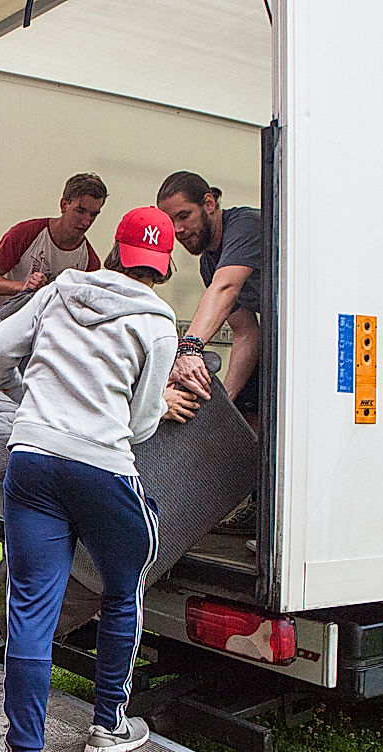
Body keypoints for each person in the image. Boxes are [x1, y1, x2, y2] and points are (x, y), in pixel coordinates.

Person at [0, 207, 178, 752]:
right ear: (163, 267)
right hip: (102, 466)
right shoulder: (159, 324)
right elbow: (144, 422)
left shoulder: (61, 289)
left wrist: (35, 403)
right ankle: (108, 729)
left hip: (33, 459)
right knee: (124, 587)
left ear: (113, 250)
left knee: (32, 609)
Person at [157, 171, 263, 533]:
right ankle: (254, 501)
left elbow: (227, 287)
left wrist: (188, 348)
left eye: (183, 216)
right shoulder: (207, 261)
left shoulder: (246, 225)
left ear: (209, 203)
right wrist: (226, 405)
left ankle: (270, 504)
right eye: (170, 222)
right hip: (272, 338)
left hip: (312, 338)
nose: (178, 230)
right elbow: (247, 333)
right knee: (246, 407)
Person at [0, 173, 108, 313]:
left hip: (46, 331)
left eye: (93, 215)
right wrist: (24, 287)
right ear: (64, 205)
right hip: (3, 323)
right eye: (80, 211)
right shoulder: (26, 233)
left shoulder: (90, 262)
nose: (86, 222)